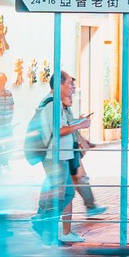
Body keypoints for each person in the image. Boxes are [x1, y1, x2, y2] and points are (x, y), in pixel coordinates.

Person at [31, 73, 89, 245]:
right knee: (58, 196)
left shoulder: (59, 103)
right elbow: (58, 130)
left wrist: (78, 122)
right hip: (54, 157)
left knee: (67, 194)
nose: (72, 87)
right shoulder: (52, 104)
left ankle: (47, 228)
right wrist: (80, 125)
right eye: (70, 84)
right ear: (60, 85)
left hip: (63, 156)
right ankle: (42, 226)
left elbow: (64, 126)